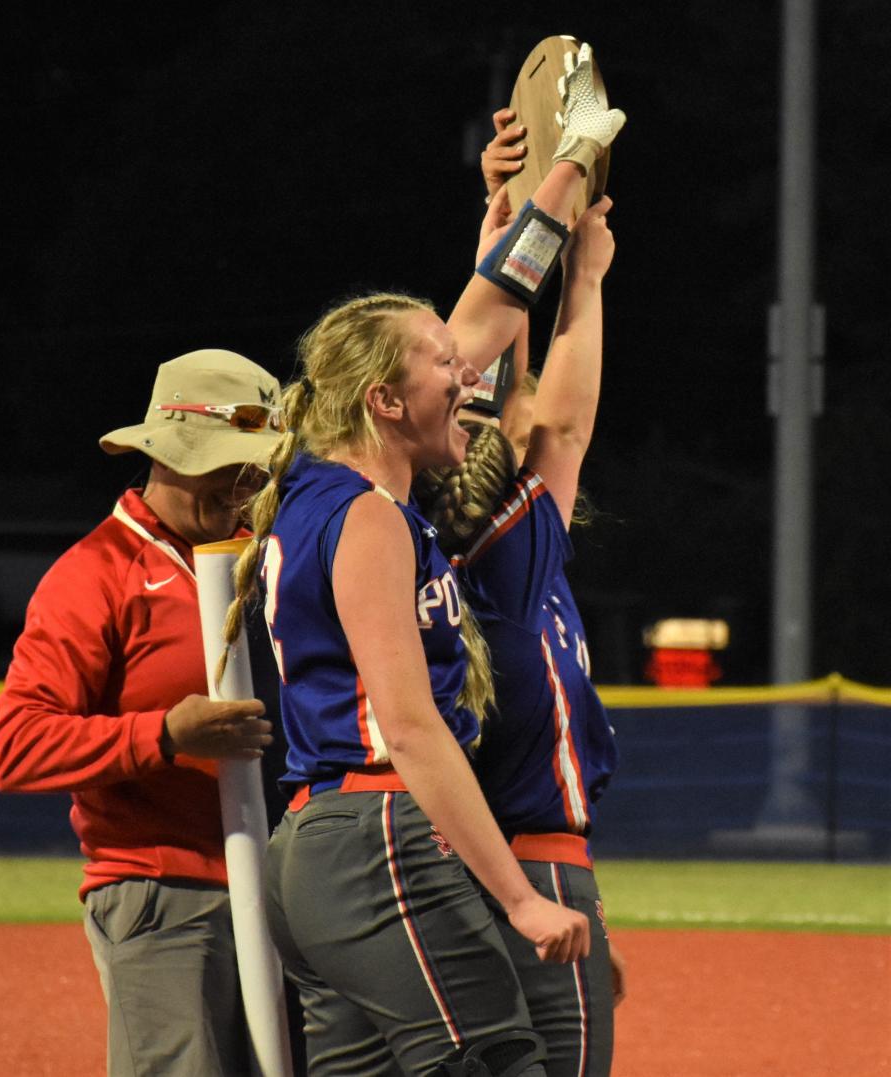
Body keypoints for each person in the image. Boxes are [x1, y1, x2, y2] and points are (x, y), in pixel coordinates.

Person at [217, 48, 625, 1077]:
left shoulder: (337, 487)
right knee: (497, 1062)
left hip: (329, 844)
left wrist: (544, 193)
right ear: (385, 404)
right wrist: (523, 897)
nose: (467, 373)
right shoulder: (364, 514)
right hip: (378, 834)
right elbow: (406, 726)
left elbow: (488, 315)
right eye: (443, 370)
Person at [0, 349, 282, 1077]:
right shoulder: (95, 572)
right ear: (173, 455)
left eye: (260, 465)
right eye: (234, 463)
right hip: (164, 895)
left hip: (283, 889)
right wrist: (163, 734)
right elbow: (16, 746)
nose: (253, 481)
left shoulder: (263, 556)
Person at [412, 190, 625, 1074]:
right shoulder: (510, 559)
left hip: (474, 870)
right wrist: (584, 275)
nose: (521, 395)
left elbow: (503, 387)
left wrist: (504, 241)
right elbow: (557, 418)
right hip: (528, 869)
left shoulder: (451, 553)